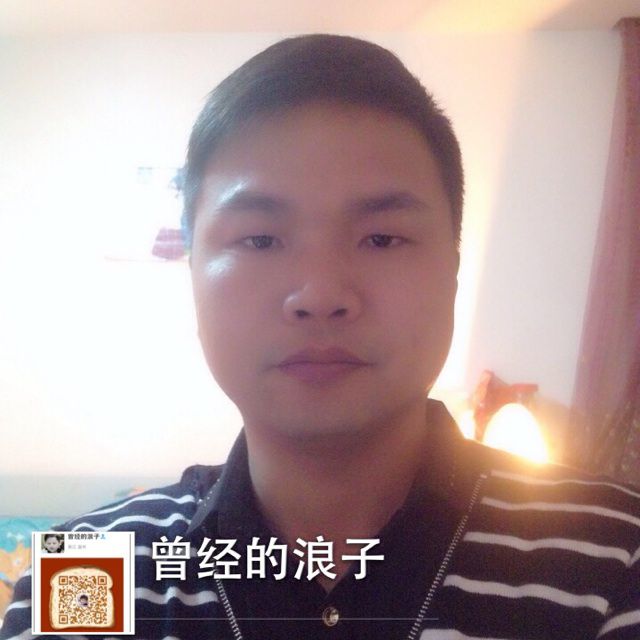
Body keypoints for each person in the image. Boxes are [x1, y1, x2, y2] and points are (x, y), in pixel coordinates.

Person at [2, 34, 639, 640]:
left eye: (381, 238)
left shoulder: (617, 558)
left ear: (452, 267)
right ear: (192, 270)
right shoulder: (88, 565)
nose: (320, 294)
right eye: (260, 239)